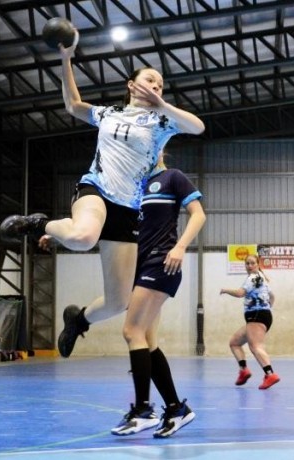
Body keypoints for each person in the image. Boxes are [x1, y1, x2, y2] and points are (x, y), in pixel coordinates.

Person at [0, 28, 205, 358]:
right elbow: (73, 104)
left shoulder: (162, 121)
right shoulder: (108, 114)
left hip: (127, 209)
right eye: (150, 80)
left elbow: (198, 126)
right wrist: (66, 59)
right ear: (131, 84)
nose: (155, 86)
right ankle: (38, 223)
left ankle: (78, 320)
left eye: (160, 84)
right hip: (96, 189)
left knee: (119, 302)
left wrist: (163, 104)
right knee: (82, 236)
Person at [111, 158, 205, 438]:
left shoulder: (172, 177)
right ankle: (176, 409)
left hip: (162, 263)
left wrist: (180, 246)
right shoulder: (131, 187)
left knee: (131, 330)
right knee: (148, 342)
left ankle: (142, 410)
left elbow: (198, 213)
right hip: (139, 269)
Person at [219, 254, 280, 390]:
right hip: (261, 315)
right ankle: (243, 370)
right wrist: (268, 308)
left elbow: (240, 293)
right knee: (235, 343)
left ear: (258, 264)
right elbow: (272, 296)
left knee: (255, 346)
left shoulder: (252, 278)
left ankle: (270, 374)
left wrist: (225, 290)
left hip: (256, 315)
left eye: (253, 263)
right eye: (247, 263)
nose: (250, 266)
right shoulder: (261, 277)